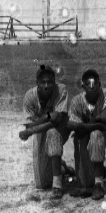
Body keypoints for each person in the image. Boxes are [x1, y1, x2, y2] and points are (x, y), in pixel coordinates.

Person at [19, 65, 70, 199]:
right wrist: (48, 116)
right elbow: (29, 125)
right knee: (41, 184)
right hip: (41, 131)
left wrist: (30, 132)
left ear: (54, 82)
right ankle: (62, 167)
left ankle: (58, 185)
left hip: (61, 129)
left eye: (50, 82)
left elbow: (57, 121)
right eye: (43, 82)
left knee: (53, 133)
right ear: (37, 83)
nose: (46, 85)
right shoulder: (30, 97)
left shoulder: (61, 90)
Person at [67, 69, 106, 200]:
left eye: (95, 84)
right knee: (85, 186)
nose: (92, 87)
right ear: (83, 86)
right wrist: (95, 124)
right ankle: (93, 175)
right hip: (82, 136)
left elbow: (104, 120)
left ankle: (99, 184)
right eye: (88, 84)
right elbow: (73, 126)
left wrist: (86, 126)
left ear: (99, 84)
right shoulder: (76, 101)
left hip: (102, 134)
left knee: (96, 135)